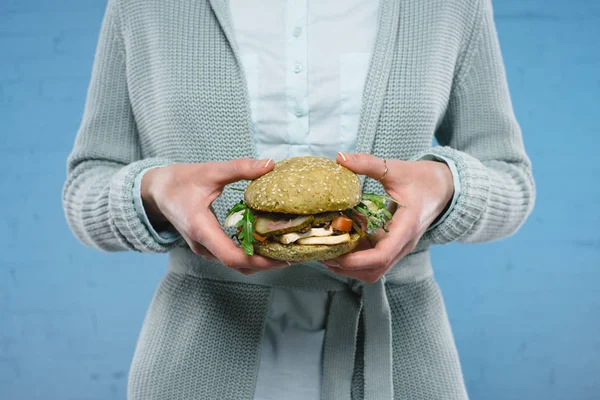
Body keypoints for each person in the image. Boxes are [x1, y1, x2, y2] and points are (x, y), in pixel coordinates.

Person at [62, 0, 535, 398]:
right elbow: (87, 186)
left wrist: (445, 186)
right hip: (196, 360)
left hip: (400, 362)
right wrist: (156, 190)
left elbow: (510, 181)